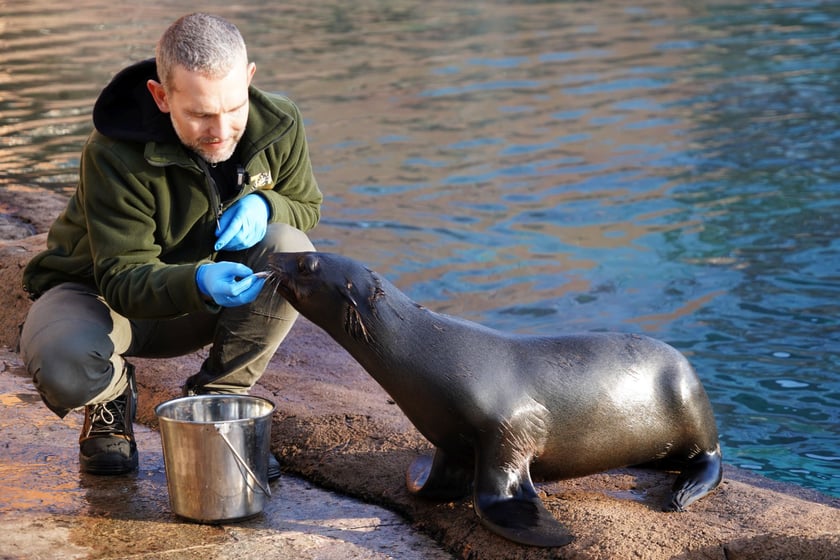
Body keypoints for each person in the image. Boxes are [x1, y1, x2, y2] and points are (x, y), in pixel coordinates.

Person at [19, 12, 322, 478]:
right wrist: (199, 278)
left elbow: (305, 206)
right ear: (161, 96)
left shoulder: (280, 122)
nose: (221, 130)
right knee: (64, 361)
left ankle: (219, 402)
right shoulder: (112, 152)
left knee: (291, 247)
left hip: (202, 302)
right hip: (105, 298)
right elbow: (122, 279)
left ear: (250, 77)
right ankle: (112, 398)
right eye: (200, 114)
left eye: (234, 107)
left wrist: (267, 205)